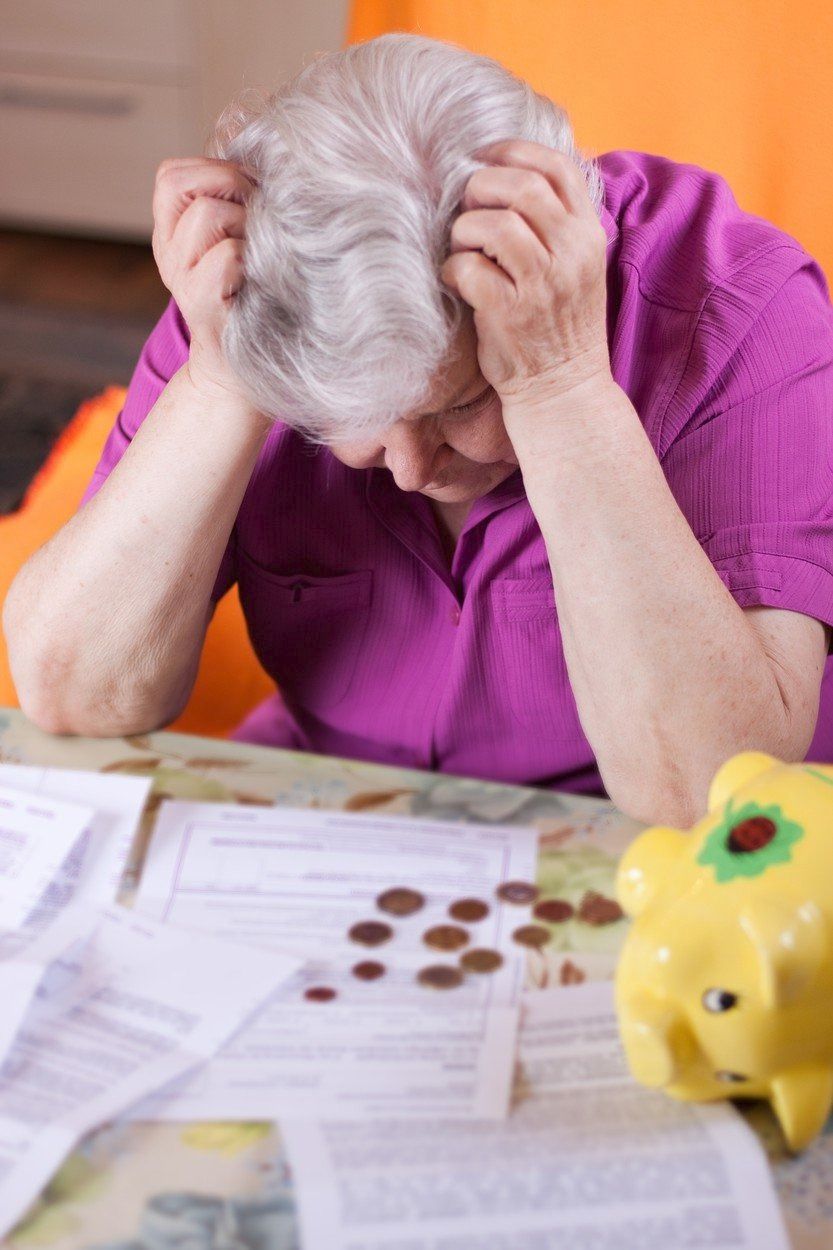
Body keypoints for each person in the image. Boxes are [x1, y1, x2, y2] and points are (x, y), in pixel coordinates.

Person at [5, 33, 833, 827]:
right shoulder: (263, 287)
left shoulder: (742, 307)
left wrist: (559, 387)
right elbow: (76, 694)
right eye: (345, 423)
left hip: (648, 840)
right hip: (343, 799)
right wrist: (224, 379)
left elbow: (708, 795)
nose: (404, 467)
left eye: (458, 408)